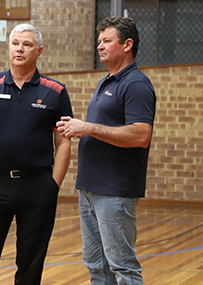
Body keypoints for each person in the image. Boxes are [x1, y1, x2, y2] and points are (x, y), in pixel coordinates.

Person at [0, 23, 73, 285]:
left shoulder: (55, 91)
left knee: (30, 269)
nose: (20, 49)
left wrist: (53, 185)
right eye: (15, 43)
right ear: (8, 47)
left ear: (39, 51)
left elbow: (63, 143)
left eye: (27, 44)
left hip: (37, 188)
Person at [56, 16, 156, 285]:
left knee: (122, 266)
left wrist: (88, 128)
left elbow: (141, 134)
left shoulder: (136, 84)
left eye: (107, 41)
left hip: (115, 191)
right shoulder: (106, 82)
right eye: (98, 41)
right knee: (96, 266)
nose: (99, 46)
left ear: (127, 45)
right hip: (89, 189)